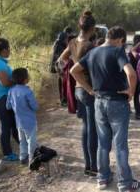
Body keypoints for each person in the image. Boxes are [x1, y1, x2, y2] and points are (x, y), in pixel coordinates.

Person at [70, 26, 140, 192]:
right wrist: (131, 92)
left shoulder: (93, 52)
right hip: (117, 103)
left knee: (103, 143)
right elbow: (131, 74)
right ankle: (125, 183)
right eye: (122, 43)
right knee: (120, 145)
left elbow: (74, 71)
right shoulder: (117, 52)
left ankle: (102, 179)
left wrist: (89, 89)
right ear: (120, 40)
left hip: (99, 103)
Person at [58, 11, 98, 176]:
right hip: (88, 90)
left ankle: (88, 165)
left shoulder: (72, 42)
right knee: (92, 129)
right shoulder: (90, 46)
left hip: (77, 90)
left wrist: (66, 75)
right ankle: (93, 167)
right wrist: (90, 87)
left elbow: (60, 60)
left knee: (85, 127)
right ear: (93, 28)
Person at [6, 68, 38, 165]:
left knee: (22, 140)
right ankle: (32, 159)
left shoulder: (11, 91)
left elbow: (8, 106)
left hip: (19, 122)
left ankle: (22, 157)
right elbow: (35, 107)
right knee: (31, 140)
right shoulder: (28, 91)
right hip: (30, 121)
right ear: (25, 79)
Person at [50, 26, 73, 106]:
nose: (67, 40)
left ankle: (63, 99)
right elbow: (61, 59)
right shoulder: (60, 46)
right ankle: (64, 100)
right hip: (61, 68)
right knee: (63, 84)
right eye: (67, 39)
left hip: (59, 67)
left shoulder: (57, 44)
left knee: (62, 83)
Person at [128, 35, 140, 120]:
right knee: (139, 94)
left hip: (132, 74)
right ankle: (139, 112)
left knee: (135, 95)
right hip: (138, 76)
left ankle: (138, 113)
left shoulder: (131, 51)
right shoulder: (139, 50)